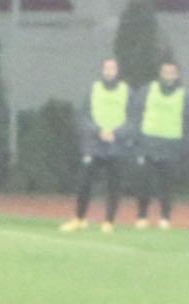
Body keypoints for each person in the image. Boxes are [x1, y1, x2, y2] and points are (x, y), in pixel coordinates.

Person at [62, 57, 133, 234]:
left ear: (118, 71)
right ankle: (79, 219)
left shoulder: (127, 91)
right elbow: (83, 117)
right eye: (106, 68)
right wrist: (98, 131)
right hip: (94, 144)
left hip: (116, 145)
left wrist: (116, 133)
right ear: (102, 70)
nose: (109, 71)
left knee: (114, 185)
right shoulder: (93, 90)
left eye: (113, 68)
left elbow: (133, 119)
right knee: (84, 182)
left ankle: (109, 222)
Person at [132, 59, 188, 231]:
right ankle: (142, 216)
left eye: (172, 72)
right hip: (148, 143)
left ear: (177, 75)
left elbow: (187, 121)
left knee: (166, 186)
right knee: (144, 183)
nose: (168, 75)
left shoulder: (183, 95)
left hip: (170, 146)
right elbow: (136, 113)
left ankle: (165, 217)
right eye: (165, 72)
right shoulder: (148, 90)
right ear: (160, 73)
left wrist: (185, 146)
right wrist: (136, 140)